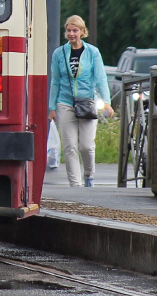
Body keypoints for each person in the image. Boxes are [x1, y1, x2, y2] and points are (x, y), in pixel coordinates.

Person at [48, 15, 113, 187]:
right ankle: (75, 185)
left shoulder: (92, 52)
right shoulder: (59, 53)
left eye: (75, 30)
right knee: (69, 146)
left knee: (86, 146)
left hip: (87, 102)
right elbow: (55, 80)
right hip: (65, 102)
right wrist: (51, 107)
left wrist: (106, 101)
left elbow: (100, 78)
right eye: (69, 30)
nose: (71, 34)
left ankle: (88, 174)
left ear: (82, 32)